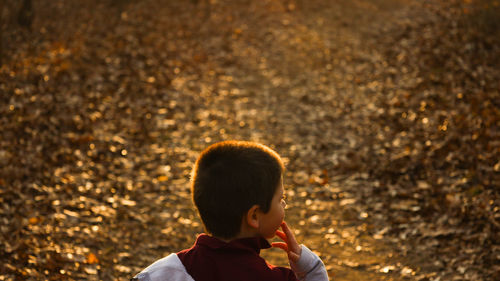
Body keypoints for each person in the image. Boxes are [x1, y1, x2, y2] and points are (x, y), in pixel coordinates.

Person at [132, 141, 329, 281]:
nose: (284, 205)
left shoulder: (163, 272)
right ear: (254, 216)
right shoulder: (274, 278)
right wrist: (309, 268)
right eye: (281, 199)